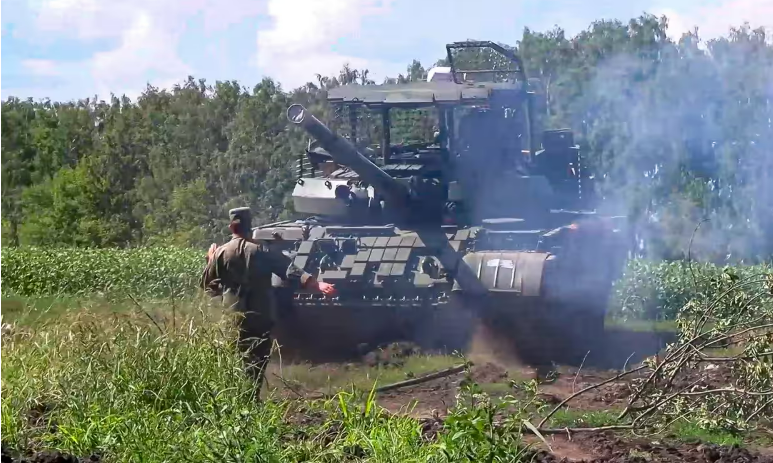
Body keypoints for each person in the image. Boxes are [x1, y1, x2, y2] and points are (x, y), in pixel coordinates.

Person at [200, 207, 336, 397]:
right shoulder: (262, 251)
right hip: (260, 315)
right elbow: (290, 270)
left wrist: (210, 261)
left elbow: (208, 287)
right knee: (257, 359)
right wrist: (317, 284)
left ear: (232, 227)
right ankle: (252, 397)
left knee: (234, 358)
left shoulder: (221, 253)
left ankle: (234, 397)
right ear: (250, 226)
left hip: (232, 316)